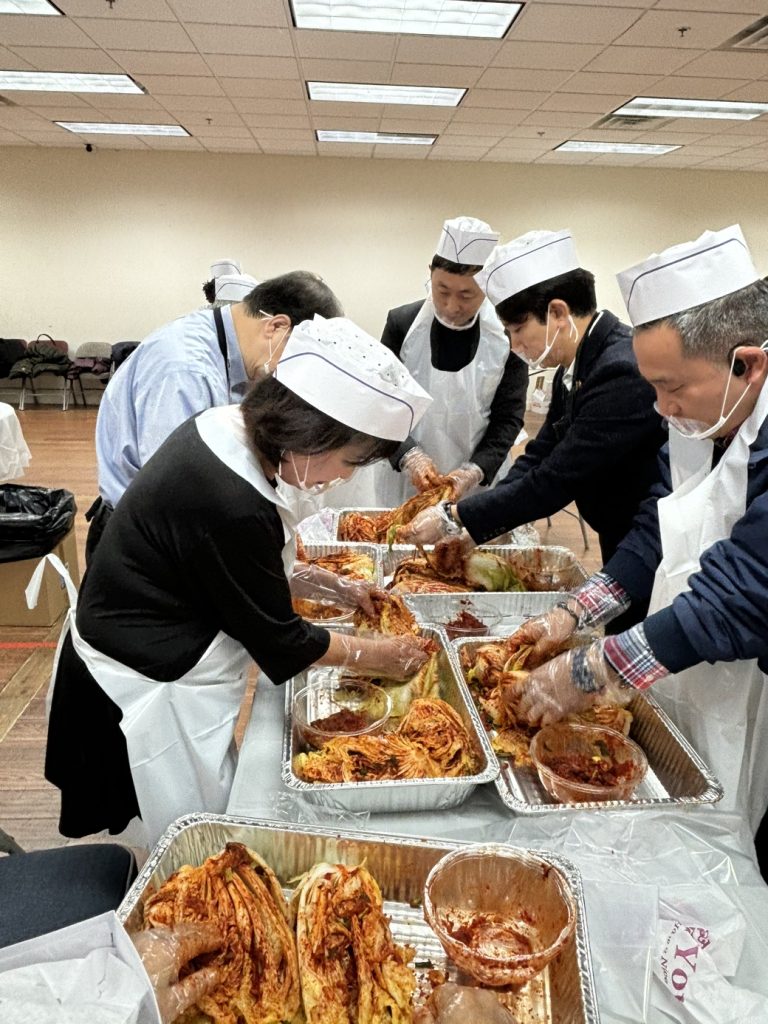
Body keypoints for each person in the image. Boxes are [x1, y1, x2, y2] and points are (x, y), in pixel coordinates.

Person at [42, 316, 433, 846]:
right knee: (184, 842)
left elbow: (246, 567)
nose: (342, 478)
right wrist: (382, 655)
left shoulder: (228, 426)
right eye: (347, 463)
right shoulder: (231, 498)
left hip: (153, 644)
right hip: (145, 685)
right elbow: (282, 641)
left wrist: (334, 587)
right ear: (311, 435)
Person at [505, 225, 768, 836]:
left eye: (671, 388)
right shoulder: (703, 414)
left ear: (748, 365)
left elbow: (746, 593)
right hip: (695, 656)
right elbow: (657, 528)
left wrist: (593, 669)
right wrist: (575, 613)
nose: (661, 408)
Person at [399, 229, 666, 630]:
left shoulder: (619, 370)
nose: (514, 344)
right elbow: (540, 454)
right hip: (619, 529)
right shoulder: (576, 364)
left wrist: (454, 516)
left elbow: (555, 480)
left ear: (558, 313)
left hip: (649, 541)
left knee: (634, 636)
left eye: (517, 330)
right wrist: (473, 527)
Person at [86, 270, 342, 559]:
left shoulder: (232, 354)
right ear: (277, 327)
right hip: (146, 541)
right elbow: (180, 493)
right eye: (299, 359)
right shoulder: (187, 369)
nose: (294, 374)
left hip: (174, 528)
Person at [329, 216, 528, 508]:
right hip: (404, 475)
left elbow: (508, 417)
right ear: (430, 274)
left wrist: (474, 470)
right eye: (442, 290)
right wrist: (409, 456)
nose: (451, 306)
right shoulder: (402, 324)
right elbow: (382, 401)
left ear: (487, 287)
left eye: (466, 295)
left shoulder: (506, 335)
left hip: (476, 478)